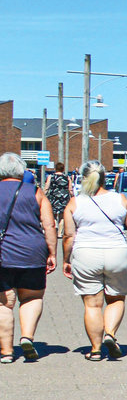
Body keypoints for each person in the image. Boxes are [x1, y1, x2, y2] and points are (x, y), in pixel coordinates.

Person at [62, 160, 127, 361]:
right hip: (117, 253)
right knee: (116, 298)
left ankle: (95, 350)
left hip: (86, 255)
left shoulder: (75, 202)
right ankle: (110, 334)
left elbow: (68, 236)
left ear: (83, 178)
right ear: (104, 178)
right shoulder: (120, 199)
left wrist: (66, 259)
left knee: (92, 305)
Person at [0, 153, 57, 364]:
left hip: (2, 255)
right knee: (31, 298)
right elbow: (49, 224)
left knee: (3, 304)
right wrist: (52, 253)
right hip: (32, 253)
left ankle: (6, 352)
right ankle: (27, 337)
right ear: (22, 171)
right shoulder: (35, 192)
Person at [44, 162, 73, 238]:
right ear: (63, 169)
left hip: (53, 198)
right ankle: (59, 233)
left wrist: (44, 194)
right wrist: (73, 197)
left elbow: (47, 187)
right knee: (61, 216)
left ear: (55, 169)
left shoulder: (51, 177)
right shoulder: (67, 178)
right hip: (63, 198)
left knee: (53, 215)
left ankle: (54, 230)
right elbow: (70, 190)